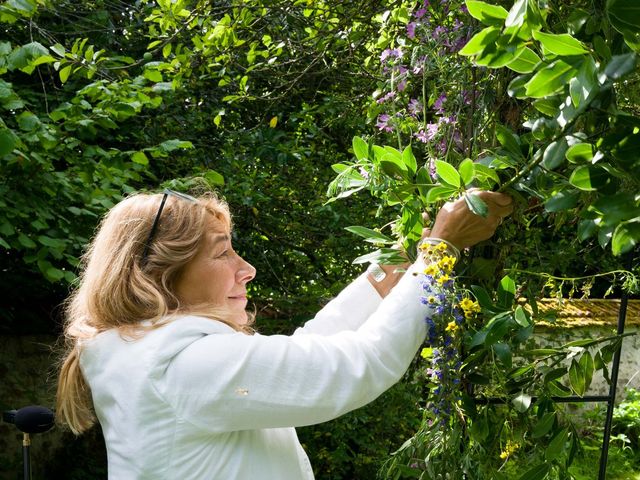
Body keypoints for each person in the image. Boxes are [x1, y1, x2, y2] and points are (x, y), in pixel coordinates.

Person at [56, 187, 513, 479]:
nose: (247, 270)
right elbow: (358, 367)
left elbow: (304, 348)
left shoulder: (141, 348)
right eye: (223, 254)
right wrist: (438, 252)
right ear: (161, 273)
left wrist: (390, 268)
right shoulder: (182, 365)